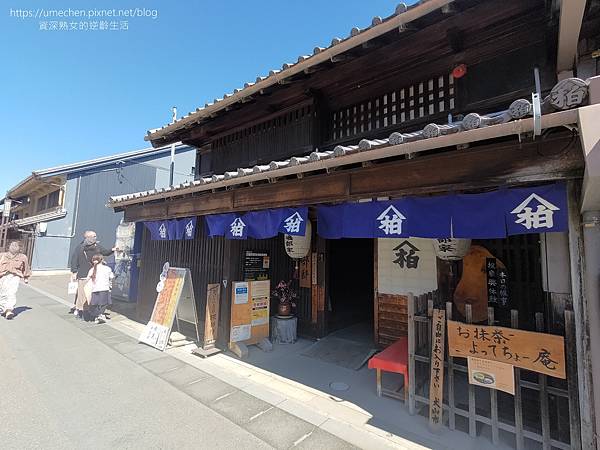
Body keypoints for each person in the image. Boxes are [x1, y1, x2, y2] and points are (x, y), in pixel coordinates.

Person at [69, 231, 117, 317]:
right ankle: (80, 309)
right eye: (94, 236)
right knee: (82, 293)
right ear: (88, 237)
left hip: (94, 274)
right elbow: (74, 259)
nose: (96, 238)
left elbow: (105, 252)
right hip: (84, 273)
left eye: (95, 236)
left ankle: (86, 310)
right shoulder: (80, 247)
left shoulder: (97, 246)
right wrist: (74, 271)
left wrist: (112, 250)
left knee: (89, 293)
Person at [0, 241, 31, 320]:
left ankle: (9, 310)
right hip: (3, 276)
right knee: (3, 293)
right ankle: (4, 308)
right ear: (8, 246)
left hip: (15, 276)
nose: (14, 246)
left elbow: (26, 268)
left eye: (16, 245)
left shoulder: (23, 257)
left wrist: (26, 277)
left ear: (19, 248)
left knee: (11, 292)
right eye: (12, 245)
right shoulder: (2, 255)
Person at [87, 254, 114, 324]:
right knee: (103, 303)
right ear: (102, 260)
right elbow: (112, 277)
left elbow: (88, 279)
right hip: (104, 288)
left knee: (95, 303)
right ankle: (100, 315)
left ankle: (96, 316)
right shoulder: (107, 268)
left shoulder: (92, 269)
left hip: (94, 289)